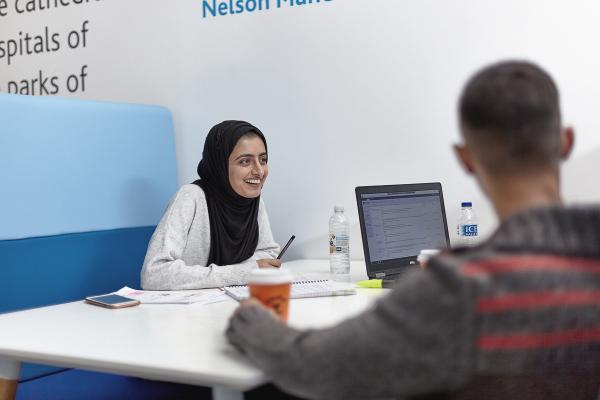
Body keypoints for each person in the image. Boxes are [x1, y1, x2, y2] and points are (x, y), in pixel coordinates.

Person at [225, 61, 600, 399]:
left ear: (465, 157)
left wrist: (252, 318)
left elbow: (313, 366)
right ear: (566, 142)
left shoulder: (459, 288)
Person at [141, 120, 281, 290]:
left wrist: (252, 270)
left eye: (263, 160)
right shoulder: (190, 197)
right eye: (245, 161)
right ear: (220, 164)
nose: (259, 171)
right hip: (184, 314)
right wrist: (243, 273)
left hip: (229, 305)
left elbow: (268, 254)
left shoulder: (253, 201)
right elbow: (154, 274)